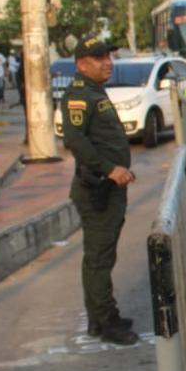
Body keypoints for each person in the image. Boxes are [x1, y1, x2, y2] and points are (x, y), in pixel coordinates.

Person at [60, 35, 139, 346]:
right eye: (99, 57)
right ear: (81, 64)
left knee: (104, 255)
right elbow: (75, 140)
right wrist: (110, 169)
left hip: (108, 188)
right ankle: (104, 322)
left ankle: (104, 314)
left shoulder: (94, 91)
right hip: (97, 189)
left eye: (109, 56)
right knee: (98, 258)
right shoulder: (79, 95)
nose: (108, 62)